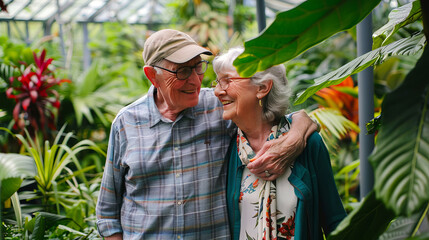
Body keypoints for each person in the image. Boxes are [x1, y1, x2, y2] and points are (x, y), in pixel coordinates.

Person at [96, 29, 318, 240]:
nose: (194, 80)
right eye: (182, 71)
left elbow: (278, 119)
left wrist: (297, 134)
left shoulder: (219, 106)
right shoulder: (126, 123)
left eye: (198, 67)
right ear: (152, 75)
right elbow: (107, 213)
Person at [212, 47, 347, 240]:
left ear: (262, 88)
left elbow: (335, 221)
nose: (217, 91)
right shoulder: (226, 145)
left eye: (227, 80)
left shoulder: (308, 144)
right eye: (217, 82)